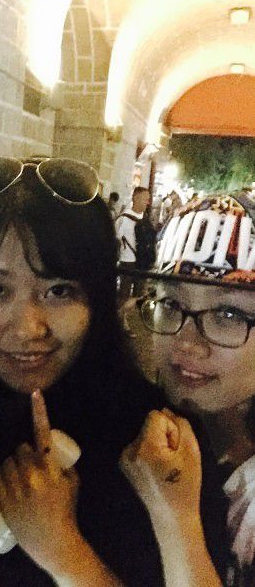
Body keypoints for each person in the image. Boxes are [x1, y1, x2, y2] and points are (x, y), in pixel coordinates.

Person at [0, 155, 224, 586]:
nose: (28, 328)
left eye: (58, 291)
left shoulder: (156, 451)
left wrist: (63, 549)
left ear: (98, 299)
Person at [119, 192, 255, 585]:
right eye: (172, 305)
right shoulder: (140, 433)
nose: (187, 343)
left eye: (228, 313)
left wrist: (175, 517)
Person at [115, 186, 155, 335]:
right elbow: (115, 240)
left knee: (138, 294)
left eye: (148, 199)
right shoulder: (124, 218)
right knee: (124, 293)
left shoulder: (145, 218)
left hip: (142, 262)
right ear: (135, 198)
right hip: (127, 261)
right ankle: (122, 322)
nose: (147, 202)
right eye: (145, 198)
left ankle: (118, 316)